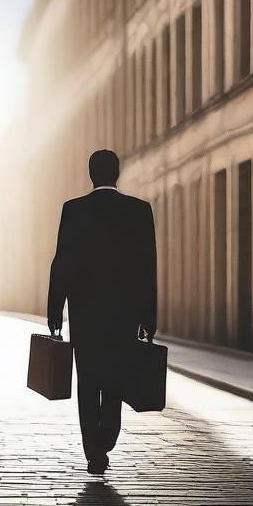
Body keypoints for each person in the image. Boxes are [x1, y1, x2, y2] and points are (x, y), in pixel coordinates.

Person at [46, 149, 157, 474]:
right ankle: (107, 435)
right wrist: (149, 317)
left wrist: (55, 310)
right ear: (117, 173)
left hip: (85, 314)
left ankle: (92, 449)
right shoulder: (139, 211)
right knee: (115, 377)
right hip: (124, 315)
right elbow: (147, 267)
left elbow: (61, 264)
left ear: (90, 173)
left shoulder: (74, 210)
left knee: (88, 379)